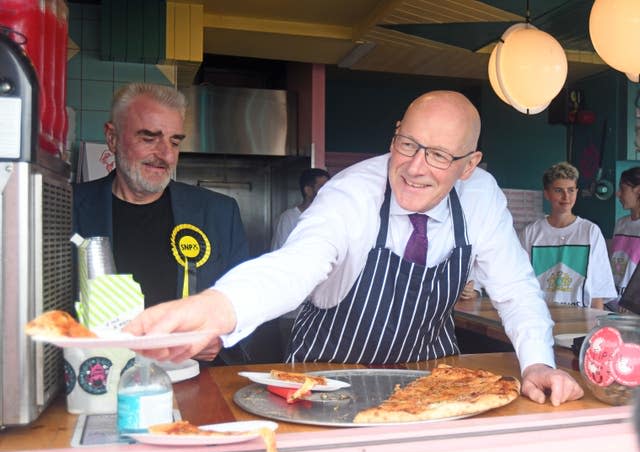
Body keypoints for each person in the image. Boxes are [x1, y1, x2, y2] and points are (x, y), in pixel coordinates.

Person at [126, 90, 584, 406]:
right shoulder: (351, 194)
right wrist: (217, 308)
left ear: (469, 166)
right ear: (395, 134)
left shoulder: (482, 196)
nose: (415, 168)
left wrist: (538, 363)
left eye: (440, 155)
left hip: (431, 378)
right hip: (324, 378)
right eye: (408, 144)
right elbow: (294, 266)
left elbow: (516, 289)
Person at [73, 82, 250, 363]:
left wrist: (221, 335)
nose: (166, 155)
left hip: (196, 386)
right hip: (98, 385)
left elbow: (247, 300)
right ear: (113, 138)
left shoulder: (218, 212)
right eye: (149, 138)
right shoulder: (67, 209)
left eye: (174, 141)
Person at [519, 162, 616, 310]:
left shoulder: (590, 231)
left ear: (577, 192)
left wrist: (595, 328)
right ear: (546, 193)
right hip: (540, 319)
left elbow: (598, 293)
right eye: (559, 190)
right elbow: (519, 284)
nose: (566, 197)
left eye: (571, 190)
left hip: (580, 323)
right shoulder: (530, 233)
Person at [271, 168, 331, 250]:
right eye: (322, 188)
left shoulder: (329, 217)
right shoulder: (288, 218)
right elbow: (278, 252)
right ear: (308, 190)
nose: (327, 192)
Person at [609, 167, 640, 311]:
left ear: (638, 190)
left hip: (633, 307)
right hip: (612, 303)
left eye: (623, 188)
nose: (618, 193)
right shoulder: (620, 223)